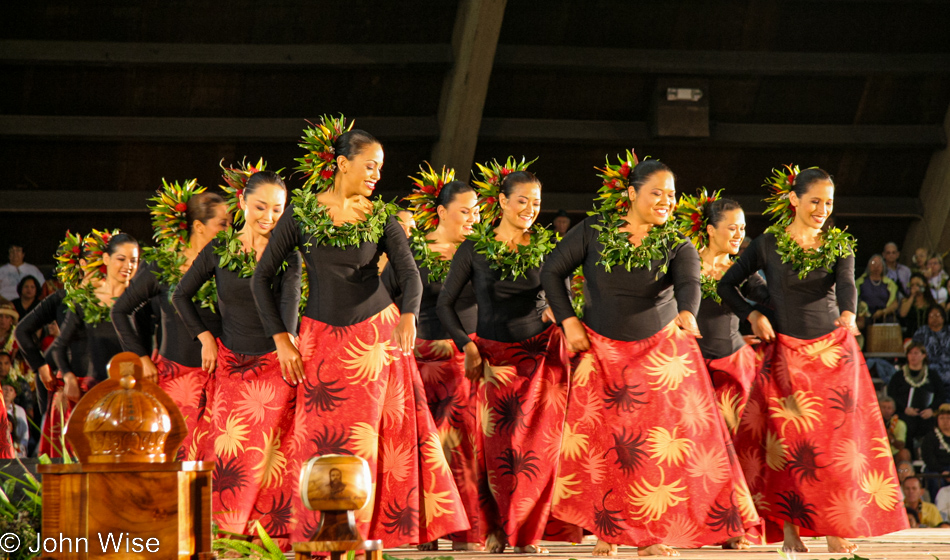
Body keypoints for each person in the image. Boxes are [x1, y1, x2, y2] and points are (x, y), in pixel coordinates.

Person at [251, 119, 466, 546]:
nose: (376, 175)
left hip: (375, 339)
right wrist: (281, 339)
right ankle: (315, 532)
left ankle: (364, 533)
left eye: (380, 168)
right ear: (342, 164)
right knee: (316, 438)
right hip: (318, 340)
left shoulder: (382, 216)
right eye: (369, 166)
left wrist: (408, 316)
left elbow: (411, 276)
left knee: (370, 438)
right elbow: (262, 279)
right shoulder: (303, 213)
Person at [542, 156, 758, 556]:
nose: (665, 201)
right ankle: (607, 531)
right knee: (604, 448)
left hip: (658, 357)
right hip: (600, 354)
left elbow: (689, 282)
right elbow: (551, 271)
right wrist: (568, 321)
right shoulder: (593, 230)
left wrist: (687, 313)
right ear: (631, 194)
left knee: (655, 450)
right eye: (656, 193)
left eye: (671, 195)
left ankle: (652, 537)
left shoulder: (677, 242)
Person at [719, 166, 907, 553]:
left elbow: (847, 286)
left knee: (835, 445)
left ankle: (836, 529)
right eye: (815, 201)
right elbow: (726, 284)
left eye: (828, 203)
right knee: (790, 447)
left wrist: (849, 315)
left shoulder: (838, 243)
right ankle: (790, 530)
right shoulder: (768, 243)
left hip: (833, 355)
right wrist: (753, 314)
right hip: (786, 356)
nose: (822, 209)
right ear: (795, 200)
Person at [438, 161, 573, 554]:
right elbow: (446, 305)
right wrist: (468, 344)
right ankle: (496, 529)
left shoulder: (549, 248)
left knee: (538, 451)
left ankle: (526, 535)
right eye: (522, 201)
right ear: (501, 202)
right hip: (494, 360)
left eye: (536, 202)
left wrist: (554, 310)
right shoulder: (475, 248)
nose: (530, 208)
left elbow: (559, 297)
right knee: (497, 450)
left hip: (541, 358)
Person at [173, 170, 302, 540]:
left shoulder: (286, 255)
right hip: (231, 364)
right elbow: (181, 295)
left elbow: (290, 301)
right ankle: (228, 532)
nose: (269, 216)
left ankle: (269, 536)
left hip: (275, 365)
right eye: (261, 207)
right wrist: (206, 339)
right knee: (231, 454)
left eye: (278, 209)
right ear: (242, 203)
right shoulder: (219, 249)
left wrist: (286, 342)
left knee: (272, 457)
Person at [383, 167, 487, 551]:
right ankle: (430, 526)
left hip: (469, 358)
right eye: (465, 211)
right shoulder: (413, 253)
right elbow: (384, 298)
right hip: (424, 358)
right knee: (428, 444)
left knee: (465, 444)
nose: (473, 218)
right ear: (441, 212)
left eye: (476, 211)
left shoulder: (481, 251)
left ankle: (466, 530)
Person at [113, 186, 229, 455]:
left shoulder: (229, 265)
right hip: (174, 379)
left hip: (219, 379)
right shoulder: (163, 266)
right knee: (173, 456)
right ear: (199, 226)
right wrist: (141, 357)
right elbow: (120, 311)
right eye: (222, 224)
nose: (229, 230)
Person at [50, 231, 140, 398]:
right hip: (96, 391)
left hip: (133, 390)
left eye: (133, 261)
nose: (128, 266)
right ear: (106, 259)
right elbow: (59, 347)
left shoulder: (141, 301)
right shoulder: (86, 300)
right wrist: (69, 378)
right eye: (121, 259)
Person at [889, 341, 946, 446]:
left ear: (923, 355)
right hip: (905, 413)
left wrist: (931, 409)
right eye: (910, 353)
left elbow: (941, 395)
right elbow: (891, 395)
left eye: (916, 353)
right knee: (904, 425)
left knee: (932, 424)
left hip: (927, 413)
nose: (913, 356)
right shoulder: (899, 376)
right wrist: (904, 409)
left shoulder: (932, 375)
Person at [912, 305, 950, 387]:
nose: (934, 318)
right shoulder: (922, 331)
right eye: (931, 316)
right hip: (928, 367)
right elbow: (916, 349)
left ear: (943, 318)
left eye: (937, 315)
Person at [856, 254, 899, 320]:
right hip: (864, 317)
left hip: (884, 317)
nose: (876, 266)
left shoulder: (890, 284)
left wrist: (883, 312)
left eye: (879, 264)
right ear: (869, 266)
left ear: (883, 267)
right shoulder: (860, 282)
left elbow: (895, 303)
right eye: (873, 263)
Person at [920, 404, 950, 498]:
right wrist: (942, 471)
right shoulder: (930, 437)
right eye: (942, 418)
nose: (945, 421)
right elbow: (928, 457)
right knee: (936, 480)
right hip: (936, 470)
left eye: (948, 418)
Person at [899, 273, 938, 338]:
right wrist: (912, 296)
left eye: (917, 284)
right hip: (911, 337)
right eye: (912, 285)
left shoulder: (931, 302)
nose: (915, 287)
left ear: (924, 284)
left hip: (929, 337)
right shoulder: (906, 301)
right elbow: (903, 314)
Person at [2, 378, 27, 457]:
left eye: (11, 390)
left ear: (15, 394)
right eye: (5, 389)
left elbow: (25, 435)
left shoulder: (20, 411)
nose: (7, 392)